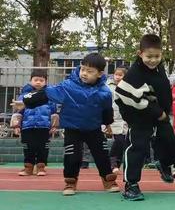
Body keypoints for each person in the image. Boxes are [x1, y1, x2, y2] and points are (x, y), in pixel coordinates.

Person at [12, 54, 119, 196]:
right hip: (72, 128)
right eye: (83, 69)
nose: (84, 73)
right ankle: (70, 182)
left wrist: (107, 124)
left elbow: (106, 110)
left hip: (93, 129)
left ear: (99, 74)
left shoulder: (104, 92)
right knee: (72, 156)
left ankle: (108, 180)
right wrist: (26, 101)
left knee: (102, 155)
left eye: (90, 71)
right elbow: (46, 94)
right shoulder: (68, 86)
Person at [115, 34, 175, 201]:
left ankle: (164, 163)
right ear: (140, 53)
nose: (153, 60)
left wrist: (167, 104)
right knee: (138, 146)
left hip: (161, 114)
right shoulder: (135, 73)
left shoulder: (160, 68)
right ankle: (131, 185)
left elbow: (161, 87)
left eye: (157, 56)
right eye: (149, 56)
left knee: (172, 143)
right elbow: (123, 94)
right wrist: (158, 112)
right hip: (138, 116)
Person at [11, 69, 58, 176]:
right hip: (27, 127)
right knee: (28, 148)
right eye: (36, 80)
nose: (38, 82)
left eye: (41, 80)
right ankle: (28, 167)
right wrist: (16, 125)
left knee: (43, 147)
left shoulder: (49, 96)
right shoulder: (24, 96)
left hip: (44, 127)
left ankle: (41, 167)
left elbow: (54, 112)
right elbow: (18, 112)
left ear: (45, 82)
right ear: (30, 81)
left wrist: (54, 125)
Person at [107, 66, 128, 173]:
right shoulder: (108, 86)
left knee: (122, 141)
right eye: (116, 74)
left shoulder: (128, 87)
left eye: (120, 75)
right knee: (119, 140)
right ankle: (112, 161)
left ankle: (116, 163)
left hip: (124, 119)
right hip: (113, 118)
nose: (118, 77)